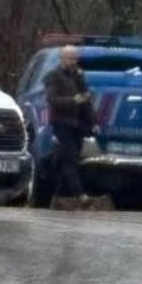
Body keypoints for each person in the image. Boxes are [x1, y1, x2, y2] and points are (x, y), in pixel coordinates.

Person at [43, 45, 97, 211]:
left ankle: (55, 196)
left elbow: (86, 100)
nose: (73, 62)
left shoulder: (79, 76)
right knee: (70, 156)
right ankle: (81, 196)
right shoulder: (53, 76)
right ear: (62, 59)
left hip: (78, 124)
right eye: (70, 58)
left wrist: (93, 122)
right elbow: (52, 99)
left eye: (75, 58)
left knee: (67, 159)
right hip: (61, 122)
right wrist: (73, 101)